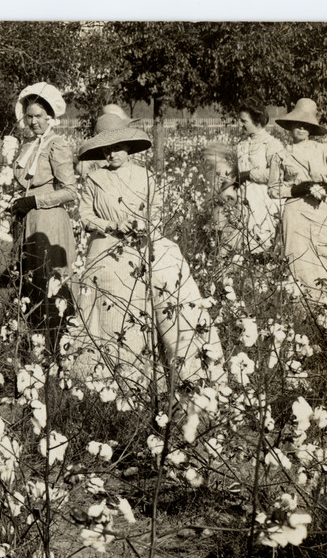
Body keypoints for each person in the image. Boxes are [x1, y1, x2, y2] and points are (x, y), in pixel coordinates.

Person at [71, 113, 224, 396]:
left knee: (154, 304)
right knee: (110, 311)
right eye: (106, 149)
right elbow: (84, 215)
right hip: (106, 247)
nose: (111, 153)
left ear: (128, 147)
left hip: (142, 244)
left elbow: (157, 210)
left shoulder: (146, 176)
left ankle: (161, 377)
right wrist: (111, 225)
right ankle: (109, 381)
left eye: (117, 147)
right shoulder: (95, 179)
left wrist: (142, 227)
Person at [7, 82, 78, 350]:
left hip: (49, 219)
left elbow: (69, 191)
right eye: (29, 116)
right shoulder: (28, 146)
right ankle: (38, 345)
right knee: (31, 282)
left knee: (51, 281)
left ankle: (59, 344)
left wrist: (34, 200)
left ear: (50, 116)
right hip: (29, 219)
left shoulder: (56, 144)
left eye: (39, 115)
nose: (34, 121)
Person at [268, 98, 327, 315]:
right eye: (297, 123)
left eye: (306, 125)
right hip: (295, 212)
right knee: (300, 257)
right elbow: (273, 188)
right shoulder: (281, 154)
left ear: (312, 128)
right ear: (291, 126)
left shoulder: (324, 150)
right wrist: (297, 190)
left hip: (321, 209)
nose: (301, 128)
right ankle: (307, 309)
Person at [233, 102, 285, 252]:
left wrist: (249, 174)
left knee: (262, 241)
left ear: (257, 121)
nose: (240, 124)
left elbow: (277, 174)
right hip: (243, 199)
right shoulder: (242, 145)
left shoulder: (271, 144)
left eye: (244, 121)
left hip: (263, 199)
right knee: (243, 242)